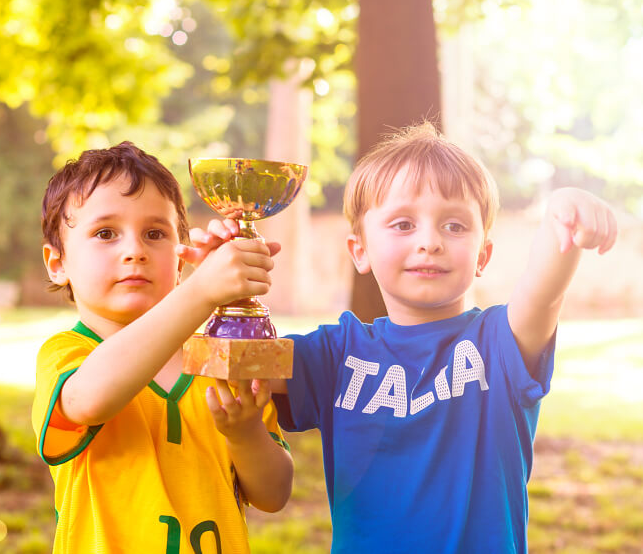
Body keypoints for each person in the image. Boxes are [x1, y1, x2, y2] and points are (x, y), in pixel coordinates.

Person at [187, 122, 617, 553]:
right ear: (360, 250)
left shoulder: (500, 344)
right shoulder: (336, 354)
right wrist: (211, 285)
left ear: (482, 255)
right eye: (403, 224)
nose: (429, 241)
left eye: (454, 226)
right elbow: (229, 360)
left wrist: (565, 209)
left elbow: (543, 294)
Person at [31, 142, 293, 554]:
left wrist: (245, 434)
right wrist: (199, 293)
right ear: (56, 262)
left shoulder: (220, 355)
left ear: (180, 257)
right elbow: (89, 401)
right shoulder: (65, 354)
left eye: (155, 234)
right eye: (105, 233)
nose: (134, 251)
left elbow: (273, 495)